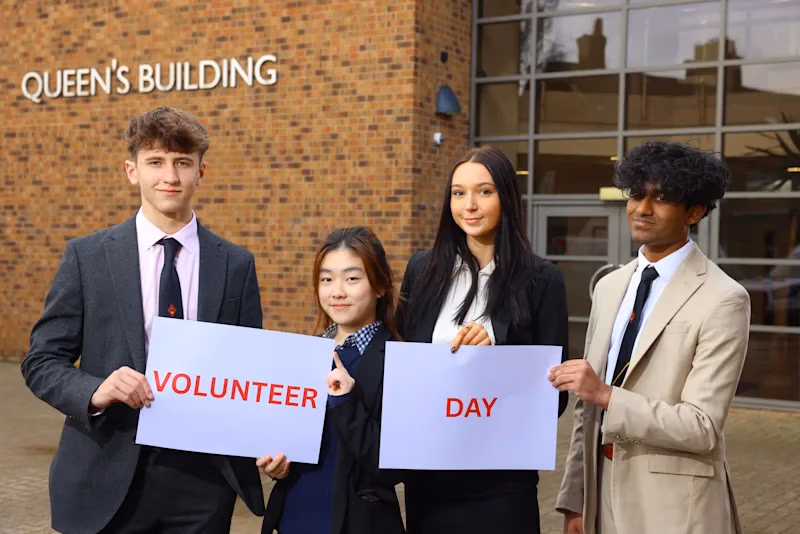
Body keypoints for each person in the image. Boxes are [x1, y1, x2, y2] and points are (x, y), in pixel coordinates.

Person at [21, 106, 264, 533]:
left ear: (201, 172)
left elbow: (251, 369)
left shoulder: (236, 264)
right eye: (155, 162)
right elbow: (41, 361)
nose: (170, 176)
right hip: (107, 471)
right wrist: (95, 390)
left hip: (204, 481)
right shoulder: (87, 257)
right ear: (132, 171)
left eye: (182, 163)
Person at [551, 141, 750, 534]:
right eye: (637, 194)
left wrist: (606, 394)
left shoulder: (724, 297)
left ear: (694, 212)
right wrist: (576, 499)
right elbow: (586, 412)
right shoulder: (609, 287)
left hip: (674, 508)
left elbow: (702, 427)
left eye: (661, 198)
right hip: (601, 496)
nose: (642, 208)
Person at [397, 146, 569, 534]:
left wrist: (494, 361)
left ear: (506, 197)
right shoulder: (422, 270)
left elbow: (554, 399)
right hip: (430, 474)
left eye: (484, 191)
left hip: (501, 482)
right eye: (458, 193)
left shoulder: (543, 280)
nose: (469, 205)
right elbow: (403, 368)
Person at [260, 227, 405, 534]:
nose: (337, 291)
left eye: (351, 279)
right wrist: (278, 467)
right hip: (293, 518)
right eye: (327, 279)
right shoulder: (305, 355)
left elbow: (393, 469)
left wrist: (347, 403)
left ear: (380, 285)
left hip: (357, 524)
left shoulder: (399, 359)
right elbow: (291, 443)